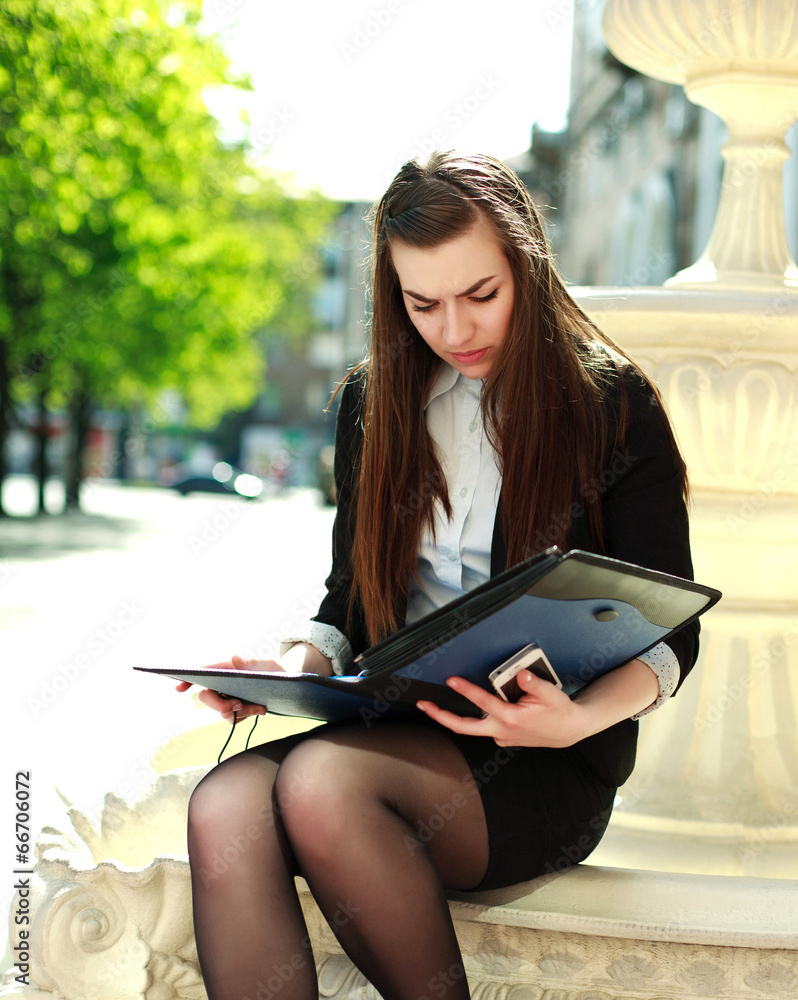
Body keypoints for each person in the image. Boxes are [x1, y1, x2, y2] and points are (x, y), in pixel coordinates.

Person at [181, 150, 698, 1000]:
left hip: (538, 765)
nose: (455, 330)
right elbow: (348, 599)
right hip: (390, 737)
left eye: (480, 296)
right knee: (224, 802)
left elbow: (673, 624)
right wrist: (289, 672)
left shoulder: (612, 405)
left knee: (317, 783)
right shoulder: (371, 404)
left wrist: (575, 721)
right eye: (423, 304)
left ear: (526, 268)